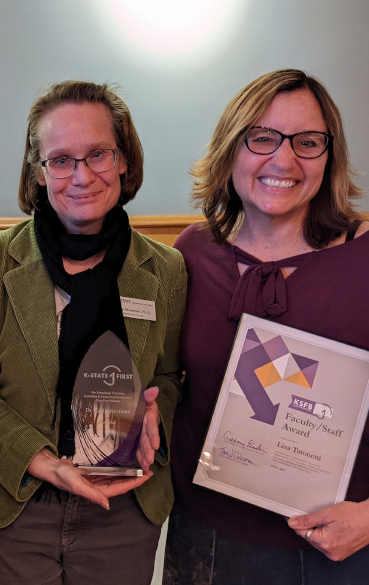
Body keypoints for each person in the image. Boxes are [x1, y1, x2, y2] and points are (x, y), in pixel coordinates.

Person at [0, 80, 187, 584]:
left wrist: (156, 413)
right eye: (60, 159)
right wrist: (43, 461)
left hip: (123, 511)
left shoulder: (165, 270)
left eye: (98, 154)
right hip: (15, 503)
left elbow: (171, 377)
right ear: (37, 172)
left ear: (124, 159)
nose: (80, 176)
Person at [164, 69, 369, 584]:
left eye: (307, 142)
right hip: (203, 538)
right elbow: (168, 380)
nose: (283, 159)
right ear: (232, 147)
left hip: (341, 548)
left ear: (330, 155)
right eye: (262, 138)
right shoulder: (191, 253)